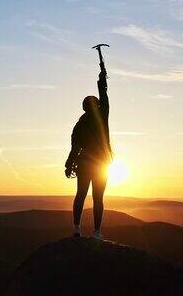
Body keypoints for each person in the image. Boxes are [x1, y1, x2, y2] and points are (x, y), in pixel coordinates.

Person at [65, 70, 112, 240]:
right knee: (98, 198)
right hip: (101, 163)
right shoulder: (102, 116)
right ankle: (97, 232)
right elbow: (104, 96)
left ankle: (77, 228)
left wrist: (69, 163)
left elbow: (75, 147)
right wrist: (101, 80)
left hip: (84, 163)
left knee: (81, 195)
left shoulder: (80, 125)